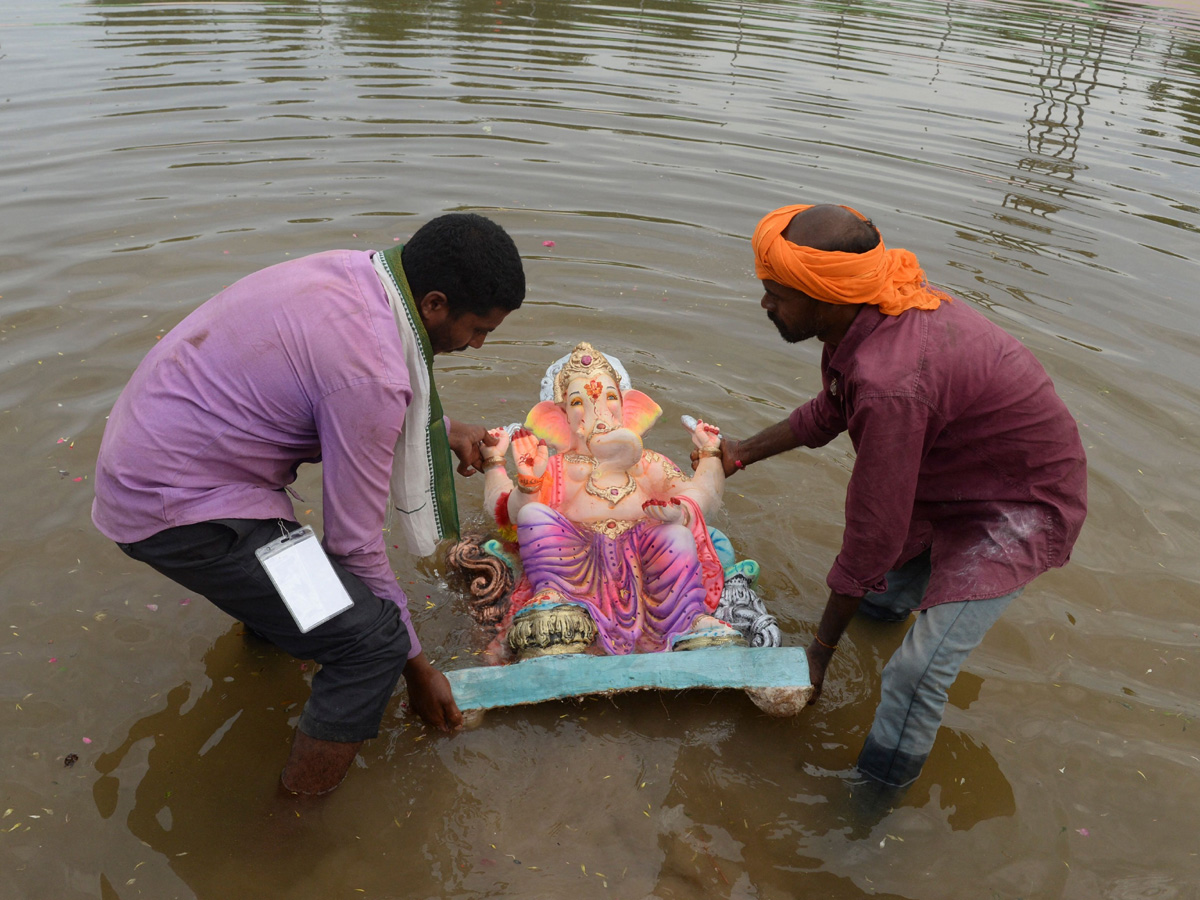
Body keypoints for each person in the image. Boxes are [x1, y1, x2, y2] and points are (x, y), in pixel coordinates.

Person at [92, 213, 526, 795]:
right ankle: (293, 829)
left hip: (158, 452)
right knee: (372, 643)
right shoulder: (372, 372)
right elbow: (355, 547)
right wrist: (417, 669)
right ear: (434, 305)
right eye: (478, 330)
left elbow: (339, 386)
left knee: (314, 598)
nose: (475, 345)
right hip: (177, 505)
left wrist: (439, 428)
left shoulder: (360, 275)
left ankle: (271, 640)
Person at [704, 203, 1087, 788]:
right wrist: (740, 452)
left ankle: (872, 801)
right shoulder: (864, 318)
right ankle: (878, 621)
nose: (766, 304)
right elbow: (832, 407)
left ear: (826, 297)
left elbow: (871, 535)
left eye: (777, 293)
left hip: (1016, 505)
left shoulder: (890, 384)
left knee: (914, 674)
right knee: (881, 601)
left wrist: (820, 654)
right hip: (956, 471)